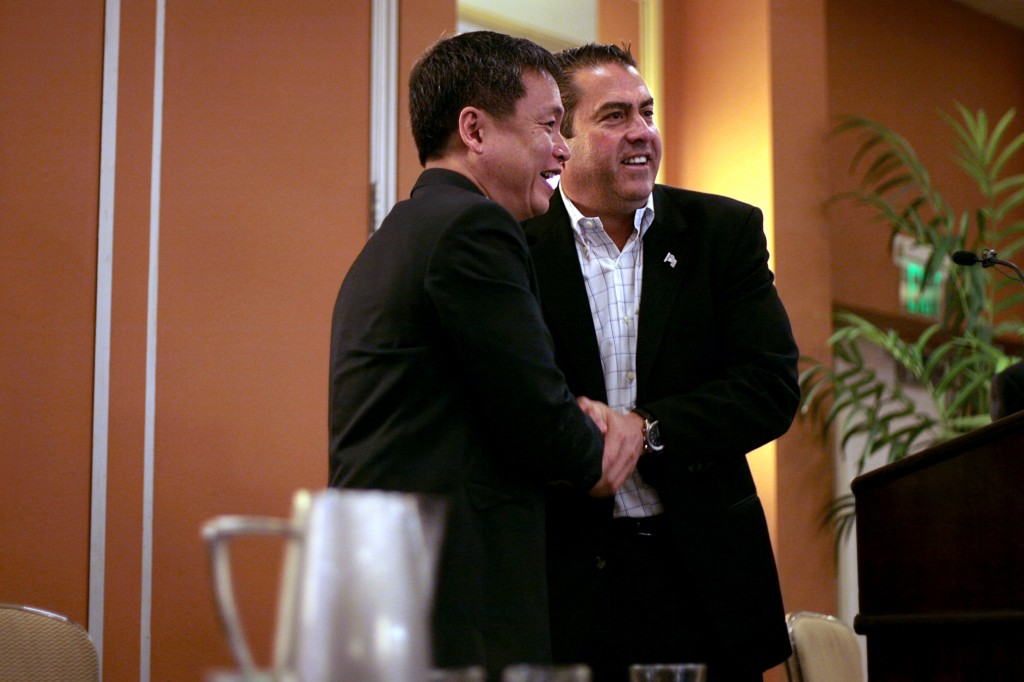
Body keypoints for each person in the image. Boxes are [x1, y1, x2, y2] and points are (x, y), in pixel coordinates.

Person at [328, 32, 641, 680]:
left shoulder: (398, 235)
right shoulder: (475, 229)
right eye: (550, 125)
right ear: (474, 129)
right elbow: (542, 422)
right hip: (454, 602)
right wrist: (605, 435)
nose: (562, 147)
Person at [523, 44, 800, 681]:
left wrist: (646, 430)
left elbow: (769, 385)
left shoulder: (721, 232)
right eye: (615, 116)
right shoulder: (514, 244)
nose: (643, 132)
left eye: (646, 113)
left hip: (704, 579)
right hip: (564, 580)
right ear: (563, 137)